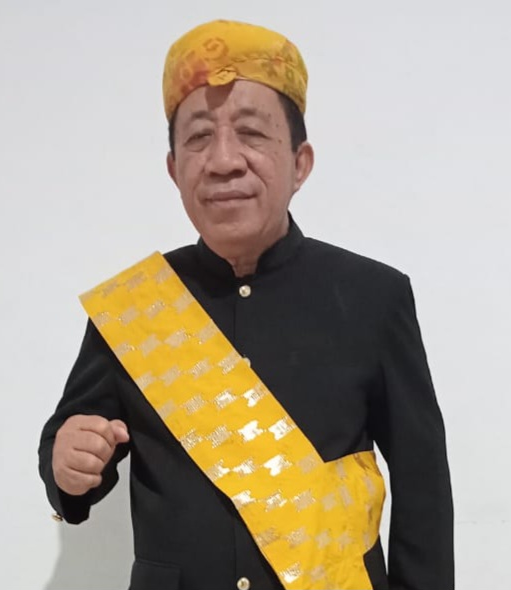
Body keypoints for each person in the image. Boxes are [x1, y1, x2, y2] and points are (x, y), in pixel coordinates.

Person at [39, 19, 454, 590]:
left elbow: (422, 485)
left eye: (252, 133)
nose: (224, 160)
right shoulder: (134, 309)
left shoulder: (374, 296)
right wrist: (66, 464)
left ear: (300, 163)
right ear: (174, 170)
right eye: (198, 137)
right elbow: (72, 444)